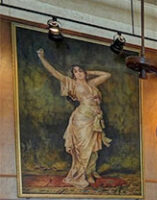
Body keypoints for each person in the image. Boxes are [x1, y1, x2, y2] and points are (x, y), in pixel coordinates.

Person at [37, 48, 112, 188]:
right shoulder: (71, 83)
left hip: (95, 118)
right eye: (75, 72)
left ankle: (89, 172)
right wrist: (41, 57)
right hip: (82, 118)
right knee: (83, 147)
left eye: (80, 71)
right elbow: (54, 72)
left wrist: (89, 72)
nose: (78, 74)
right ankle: (81, 174)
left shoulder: (91, 84)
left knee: (93, 147)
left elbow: (107, 74)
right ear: (72, 75)